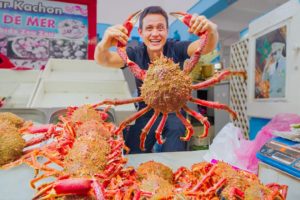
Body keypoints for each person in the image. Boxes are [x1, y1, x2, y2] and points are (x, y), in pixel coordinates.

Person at [94, 6, 219, 153]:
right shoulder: (135, 53)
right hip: (145, 110)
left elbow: (204, 47)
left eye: (160, 28)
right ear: (140, 32)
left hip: (174, 110)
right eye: (149, 28)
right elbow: (105, 59)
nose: (155, 33)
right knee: (132, 152)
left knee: (176, 148)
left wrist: (211, 31)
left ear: (167, 31)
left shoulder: (176, 48)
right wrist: (103, 45)